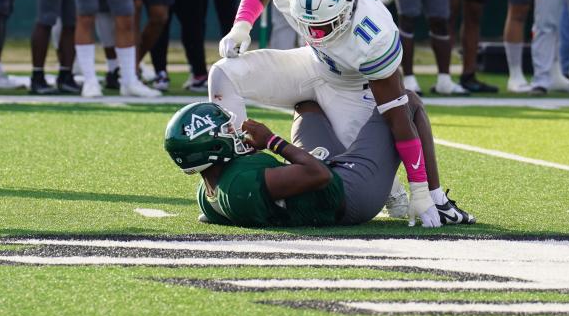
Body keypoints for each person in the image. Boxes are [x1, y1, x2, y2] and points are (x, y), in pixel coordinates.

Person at [212, 0, 477, 225]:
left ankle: (395, 189)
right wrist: (241, 26)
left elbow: (399, 115)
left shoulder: (375, 34)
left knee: (349, 165)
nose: (315, 32)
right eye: (308, 24)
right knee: (223, 73)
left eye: (323, 24)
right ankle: (234, 180)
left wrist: (420, 189)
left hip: (351, 89)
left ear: (346, 8)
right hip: (312, 64)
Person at [165, 94, 447, 227]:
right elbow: (319, 174)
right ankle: (436, 201)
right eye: (226, 131)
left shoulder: (209, 194)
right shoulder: (240, 184)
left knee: (308, 105)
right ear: (211, 145)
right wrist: (272, 141)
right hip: (348, 194)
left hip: (315, 184)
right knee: (405, 101)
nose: (234, 132)